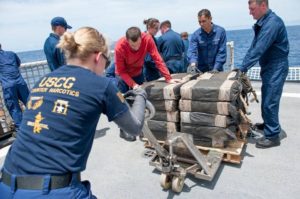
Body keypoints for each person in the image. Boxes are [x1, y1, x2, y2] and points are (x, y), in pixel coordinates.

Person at [0, 27, 147, 198]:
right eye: (106, 63)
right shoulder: (101, 84)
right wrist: (141, 95)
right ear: (98, 57)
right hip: (52, 191)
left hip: (6, 183)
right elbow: (134, 127)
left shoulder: (43, 80)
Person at [239, 0, 289, 148]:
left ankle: (273, 136)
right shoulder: (264, 22)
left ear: (263, 6)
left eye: (252, 9)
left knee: (270, 100)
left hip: (276, 66)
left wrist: (243, 69)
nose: (250, 12)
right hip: (269, 66)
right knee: (267, 94)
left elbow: (259, 48)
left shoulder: (272, 23)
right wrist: (241, 67)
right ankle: (269, 124)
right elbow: (253, 47)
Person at [114, 26, 179, 141]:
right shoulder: (119, 46)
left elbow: (157, 58)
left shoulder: (148, 39)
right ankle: (124, 130)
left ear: (141, 38)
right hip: (122, 75)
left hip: (138, 72)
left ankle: (139, 128)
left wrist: (168, 78)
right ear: (127, 40)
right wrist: (133, 85)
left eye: (138, 44)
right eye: (132, 46)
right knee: (122, 102)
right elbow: (122, 71)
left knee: (140, 100)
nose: (136, 48)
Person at [0, 43, 29, 131]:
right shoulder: (11, 53)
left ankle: (21, 130)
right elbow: (18, 64)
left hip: (8, 85)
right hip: (20, 82)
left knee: (14, 107)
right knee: (30, 103)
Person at [187, 9, 227, 73]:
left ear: (210, 18)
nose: (201, 24)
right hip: (201, 71)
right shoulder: (195, 35)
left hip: (217, 70)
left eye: (203, 21)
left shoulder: (221, 32)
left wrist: (216, 68)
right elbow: (192, 51)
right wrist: (193, 64)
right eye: (199, 22)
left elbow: (221, 52)